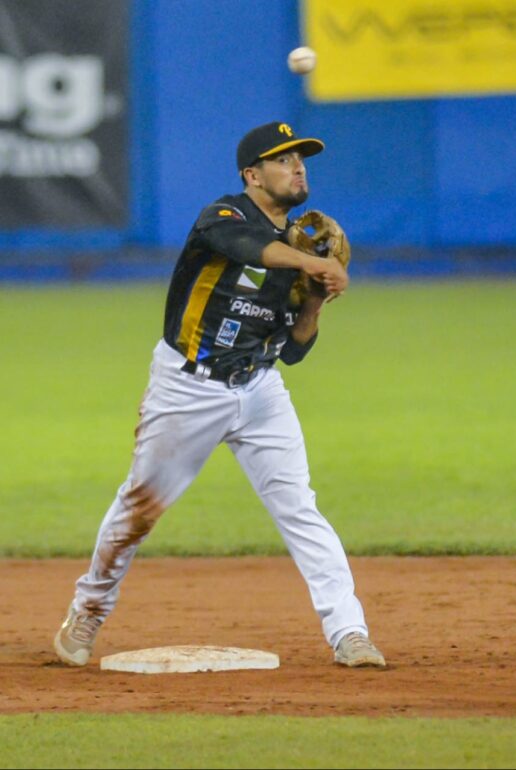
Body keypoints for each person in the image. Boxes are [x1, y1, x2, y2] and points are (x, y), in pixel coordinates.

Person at [54, 121, 386, 669]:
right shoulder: (224, 217)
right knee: (139, 509)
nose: (298, 166)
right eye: (283, 160)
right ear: (252, 176)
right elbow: (248, 248)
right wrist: (309, 263)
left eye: (301, 159)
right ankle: (88, 608)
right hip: (187, 387)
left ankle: (350, 632)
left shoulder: (302, 247)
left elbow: (295, 351)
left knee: (300, 508)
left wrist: (315, 300)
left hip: (259, 389)